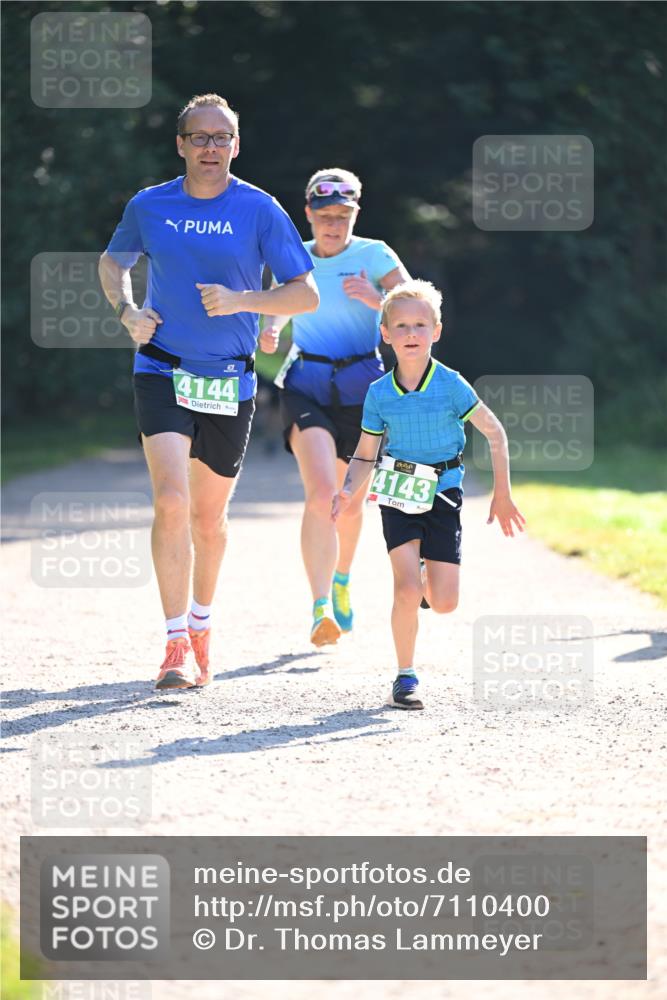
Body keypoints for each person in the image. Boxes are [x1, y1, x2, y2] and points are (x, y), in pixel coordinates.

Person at [99, 93, 318, 690]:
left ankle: (201, 622)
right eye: (200, 137)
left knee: (209, 519)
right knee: (170, 501)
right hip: (162, 367)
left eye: (222, 138)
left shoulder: (260, 209)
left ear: (236, 145)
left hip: (229, 377)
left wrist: (245, 299)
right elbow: (111, 263)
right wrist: (127, 311)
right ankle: (174, 643)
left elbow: (305, 295)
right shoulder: (151, 205)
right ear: (181, 144)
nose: (211, 147)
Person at [332, 280, 525, 710]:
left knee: (445, 602)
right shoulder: (379, 393)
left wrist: (502, 495)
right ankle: (405, 676)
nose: (411, 333)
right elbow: (366, 454)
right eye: (400, 326)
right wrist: (347, 490)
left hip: (444, 494)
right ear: (385, 333)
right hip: (397, 493)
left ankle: (423, 577)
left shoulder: (452, 385)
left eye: (420, 324)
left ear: (437, 330)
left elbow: (495, 434)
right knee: (403, 590)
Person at [259, 168, 410, 646]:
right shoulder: (296, 258)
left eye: (343, 216)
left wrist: (378, 299)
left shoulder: (374, 254)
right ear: (308, 214)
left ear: (355, 213)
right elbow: (282, 304)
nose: (333, 224)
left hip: (364, 387)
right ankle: (320, 605)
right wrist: (270, 328)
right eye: (324, 215)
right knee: (323, 491)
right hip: (306, 382)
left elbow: (417, 308)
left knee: (348, 500)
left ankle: (342, 578)